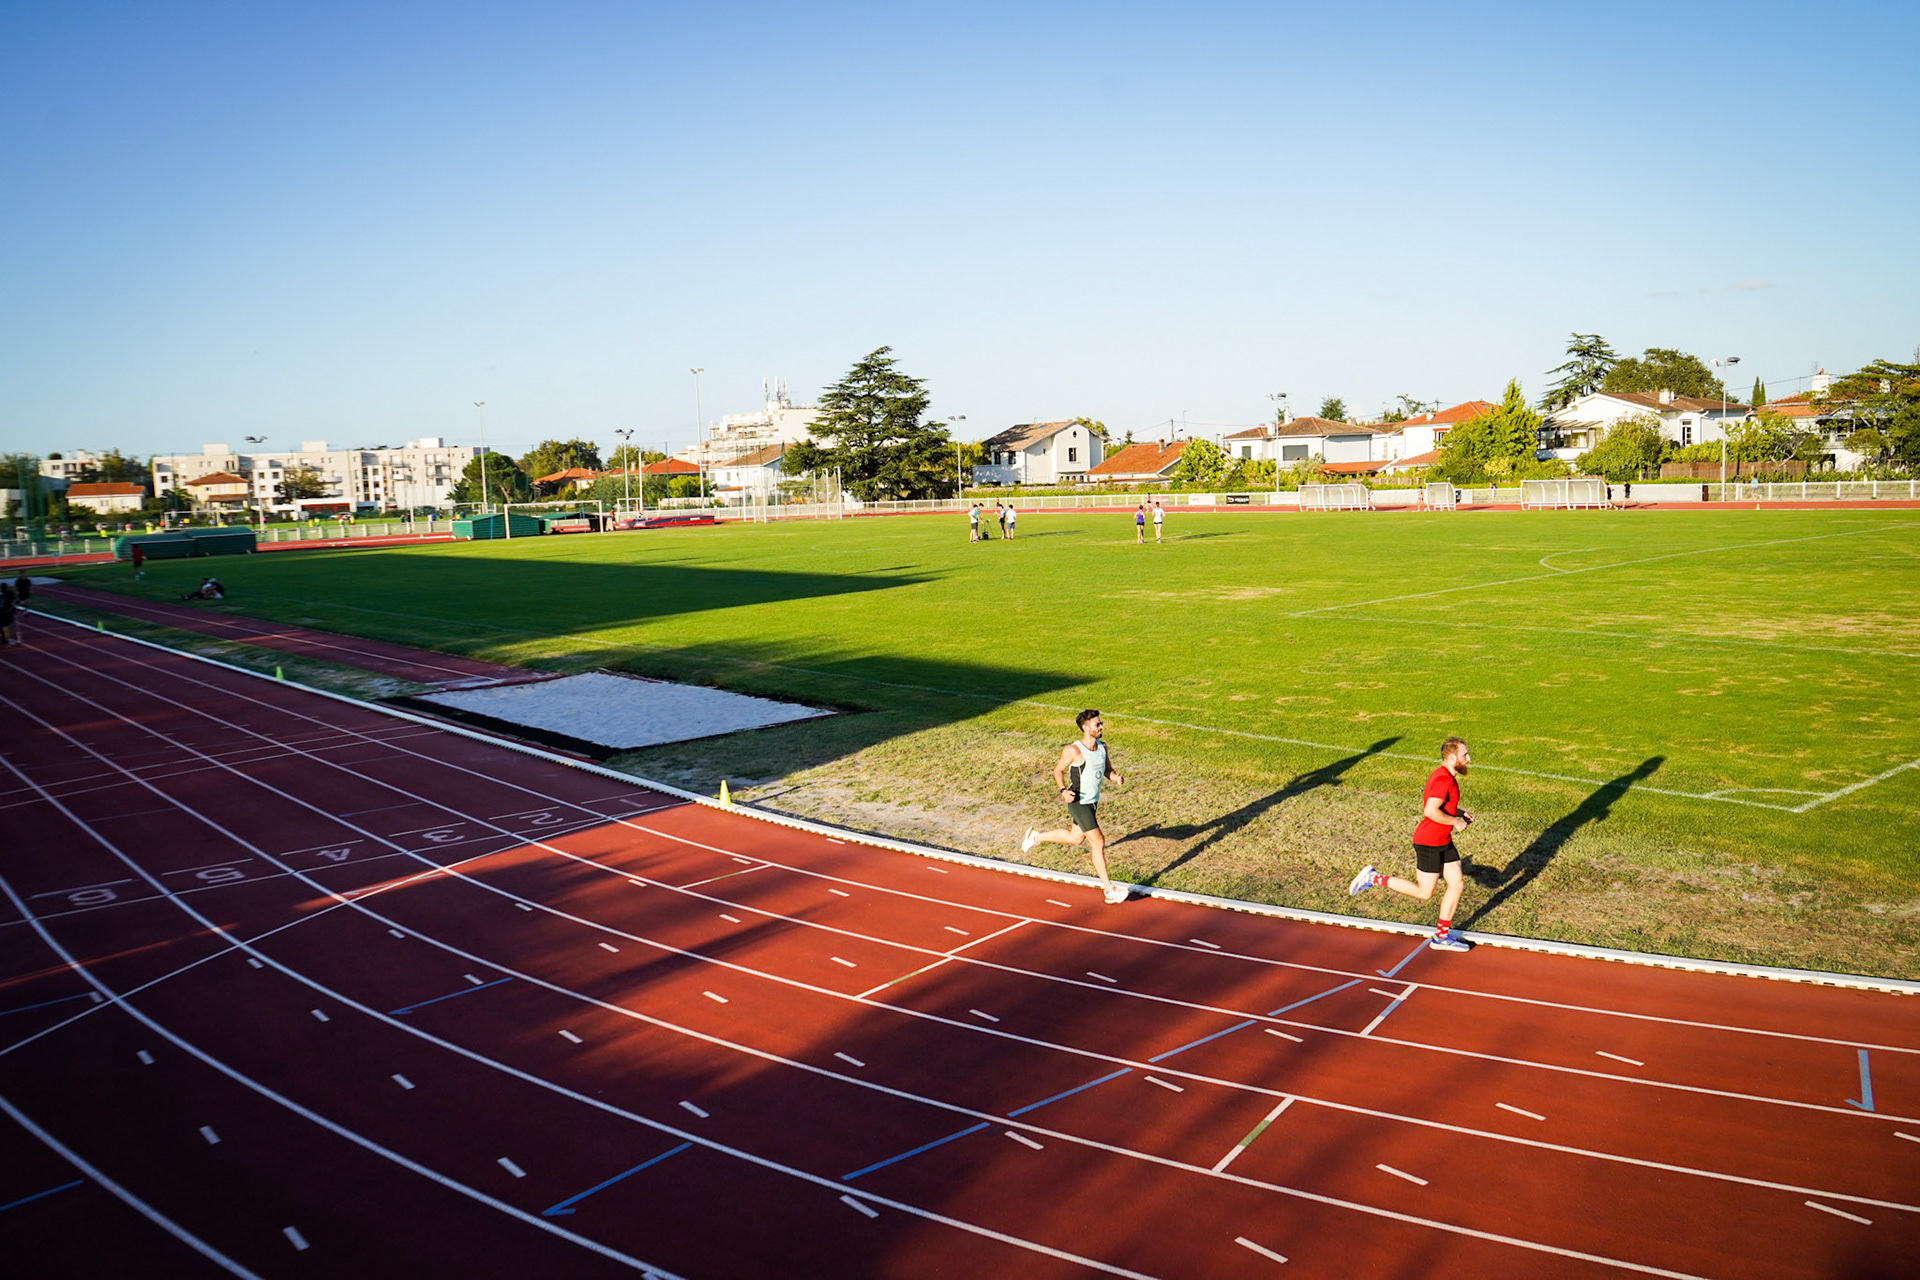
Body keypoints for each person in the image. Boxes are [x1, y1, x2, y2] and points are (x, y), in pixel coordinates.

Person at [1349, 735, 1475, 951]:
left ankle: (1441, 937)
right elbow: (1430, 810)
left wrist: (1460, 813)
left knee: (1457, 884)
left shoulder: (1447, 777)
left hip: (1443, 840)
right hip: (1429, 843)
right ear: (1452, 756)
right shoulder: (1443, 779)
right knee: (1424, 893)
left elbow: (1441, 805)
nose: (1469, 759)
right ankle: (1373, 877)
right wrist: (1455, 821)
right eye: (1465, 755)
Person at [1022, 710, 1129, 904]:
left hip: (1092, 802)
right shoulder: (1073, 750)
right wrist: (1063, 790)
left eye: (1101, 723)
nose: (1101, 727)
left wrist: (1115, 777)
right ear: (1085, 728)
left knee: (1075, 839)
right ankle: (1109, 890)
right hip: (1078, 802)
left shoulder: (1102, 747)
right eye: (1097, 725)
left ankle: (1035, 837)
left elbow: (1106, 770)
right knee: (1098, 842)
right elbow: (1057, 770)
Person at [0, 582, 16, 648]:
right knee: (5, 627)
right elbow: (13, 603)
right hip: (6, 612)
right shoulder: (10, 593)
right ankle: (6, 641)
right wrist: (13, 609)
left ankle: (3, 638)